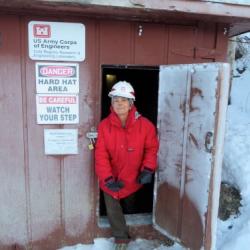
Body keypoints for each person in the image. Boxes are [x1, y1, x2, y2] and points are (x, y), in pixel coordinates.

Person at [95, 81, 159, 250]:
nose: (120, 104)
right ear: (111, 103)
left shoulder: (145, 125)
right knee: (112, 207)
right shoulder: (104, 126)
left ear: (131, 103)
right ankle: (121, 238)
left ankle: (135, 232)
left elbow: (151, 149)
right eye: (116, 100)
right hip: (111, 177)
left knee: (131, 205)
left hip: (134, 176)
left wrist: (148, 169)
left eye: (124, 100)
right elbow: (100, 154)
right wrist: (107, 179)